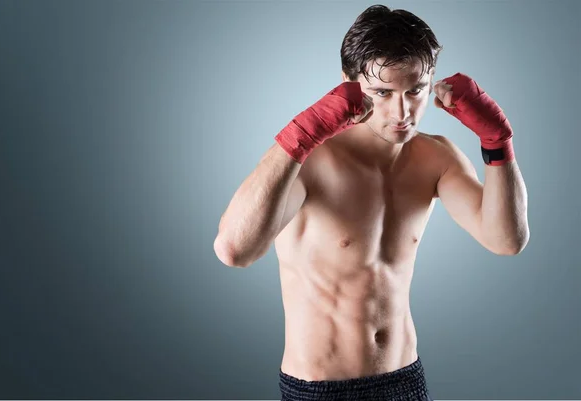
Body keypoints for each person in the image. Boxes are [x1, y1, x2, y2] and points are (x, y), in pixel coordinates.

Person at [214, 4, 529, 400]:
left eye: (416, 90)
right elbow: (234, 250)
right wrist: (299, 137)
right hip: (320, 389)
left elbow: (506, 240)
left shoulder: (436, 157)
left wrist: (497, 144)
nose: (402, 112)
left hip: (404, 379)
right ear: (347, 82)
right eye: (382, 92)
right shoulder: (310, 161)